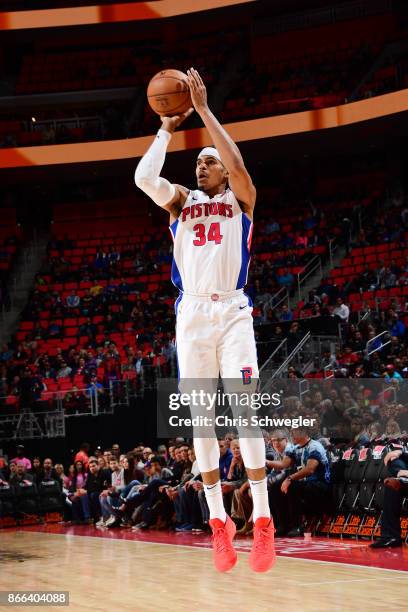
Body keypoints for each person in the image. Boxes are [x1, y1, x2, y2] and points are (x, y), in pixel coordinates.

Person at [135, 68, 274, 573]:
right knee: (202, 424)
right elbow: (144, 179)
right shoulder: (180, 202)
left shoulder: (241, 201)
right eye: (198, 163)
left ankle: (262, 520)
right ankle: (220, 525)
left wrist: (207, 112)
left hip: (233, 311)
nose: (203, 167)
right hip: (191, 312)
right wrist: (169, 129)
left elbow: (236, 163)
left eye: (208, 162)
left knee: (245, 413)